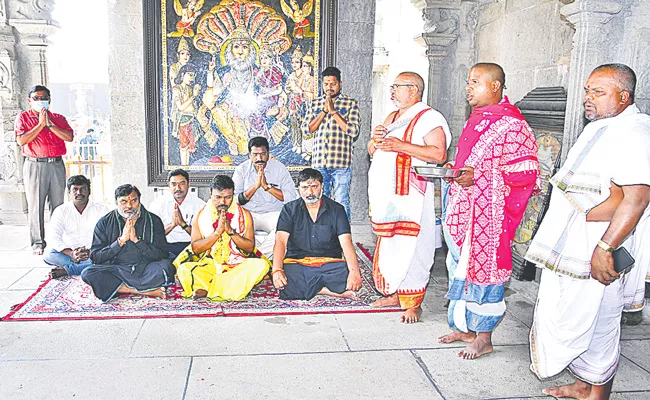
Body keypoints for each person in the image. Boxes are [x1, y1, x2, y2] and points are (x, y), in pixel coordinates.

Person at [525, 63, 650, 399]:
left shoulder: (635, 131)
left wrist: (605, 248)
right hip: (576, 243)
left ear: (624, 96)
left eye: (599, 92)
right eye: (587, 90)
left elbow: (637, 198)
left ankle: (598, 394)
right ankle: (582, 385)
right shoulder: (603, 127)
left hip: (603, 243)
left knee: (602, 319)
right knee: (577, 316)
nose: (587, 98)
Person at [439, 63, 539, 358]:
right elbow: (473, 164)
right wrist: (455, 171)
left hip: (488, 217)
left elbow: (526, 174)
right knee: (459, 267)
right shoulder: (477, 119)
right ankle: (465, 327)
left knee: (485, 271)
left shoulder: (513, 125)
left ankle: (484, 337)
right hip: (462, 209)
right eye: (468, 82)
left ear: (495, 86)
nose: (468, 87)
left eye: (475, 82)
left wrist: (480, 177)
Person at [367, 72, 451, 323]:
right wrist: (376, 140)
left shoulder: (430, 117)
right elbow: (373, 149)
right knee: (390, 243)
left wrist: (400, 146)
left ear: (413, 90)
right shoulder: (393, 117)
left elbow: (438, 154)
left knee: (414, 245)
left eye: (397, 87)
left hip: (413, 195)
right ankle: (394, 293)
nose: (391, 91)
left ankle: (414, 303)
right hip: (388, 194)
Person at [174, 175, 270, 300]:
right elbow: (196, 248)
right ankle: (224, 287)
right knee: (185, 269)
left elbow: (249, 248)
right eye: (218, 197)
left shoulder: (245, 215)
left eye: (228, 197)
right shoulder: (201, 215)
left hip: (238, 265)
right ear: (211, 194)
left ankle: (209, 288)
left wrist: (230, 232)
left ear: (233, 196)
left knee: (261, 265)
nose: (223, 202)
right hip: (212, 265)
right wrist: (217, 233)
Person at [271, 168, 362, 300]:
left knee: (344, 270)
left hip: (329, 263)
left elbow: (346, 242)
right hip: (298, 262)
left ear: (322, 186)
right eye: (305, 188)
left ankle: (311, 288)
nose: (310, 192)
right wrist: (277, 270)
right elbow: (280, 241)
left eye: (314, 186)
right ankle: (327, 290)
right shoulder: (289, 210)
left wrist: (355, 272)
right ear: (298, 189)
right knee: (285, 274)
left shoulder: (337, 209)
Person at [81, 184, 175, 302]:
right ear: (117, 203)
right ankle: (142, 290)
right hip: (118, 269)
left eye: (134, 201)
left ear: (139, 200)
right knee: (88, 273)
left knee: (167, 267)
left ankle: (119, 288)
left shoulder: (154, 220)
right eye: (123, 202)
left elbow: (162, 253)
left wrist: (137, 241)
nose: (129, 206)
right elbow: (96, 257)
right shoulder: (104, 222)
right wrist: (120, 241)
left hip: (146, 267)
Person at [15, 85, 74, 255]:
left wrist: (49, 125)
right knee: (36, 205)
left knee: (58, 205)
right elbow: (22, 140)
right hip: (35, 164)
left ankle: (59, 240)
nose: (40, 101)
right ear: (29, 100)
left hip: (56, 164)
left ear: (49, 100)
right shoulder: (23, 118)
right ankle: (38, 243)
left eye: (44, 98)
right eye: (36, 98)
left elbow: (69, 137)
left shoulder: (58, 118)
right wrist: (40, 125)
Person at [301, 66, 359, 219]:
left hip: (341, 162)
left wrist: (333, 112)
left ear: (340, 83)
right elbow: (307, 130)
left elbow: (353, 131)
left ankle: (343, 239)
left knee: (341, 201)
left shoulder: (350, 104)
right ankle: (321, 235)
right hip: (319, 162)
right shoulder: (314, 104)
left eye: (333, 84)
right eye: (326, 84)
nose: (329, 88)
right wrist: (324, 111)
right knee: (319, 200)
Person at [233, 137, 298, 258]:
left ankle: (256, 258)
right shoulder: (241, 170)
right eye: (255, 155)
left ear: (268, 154)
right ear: (249, 155)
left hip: (274, 213)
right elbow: (235, 200)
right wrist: (256, 186)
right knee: (235, 232)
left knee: (284, 232)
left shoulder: (279, 168)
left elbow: (291, 198)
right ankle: (261, 258)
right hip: (249, 213)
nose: (259, 158)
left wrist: (267, 187)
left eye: (263, 154)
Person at [44, 175, 109, 279]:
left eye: (83, 189)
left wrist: (91, 252)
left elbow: (108, 236)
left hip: (93, 253)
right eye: (75, 189)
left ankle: (69, 270)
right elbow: (53, 237)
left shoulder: (102, 210)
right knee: (48, 255)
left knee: (107, 258)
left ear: (89, 192)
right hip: (69, 254)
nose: (79, 193)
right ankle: (84, 266)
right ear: (69, 193)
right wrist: (71, 253)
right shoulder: (61, 211)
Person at [148, 168, 205, 258]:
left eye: (182, 183)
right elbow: (152, 235)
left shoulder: (200, 205)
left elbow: (203, 237)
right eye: (174, 184)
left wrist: (183, 224)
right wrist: (172, 225)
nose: (178, 188)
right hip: (166, 247)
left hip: (191, 246)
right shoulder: (158, 204)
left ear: (188, 184)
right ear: (169, 185)